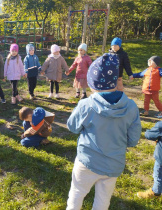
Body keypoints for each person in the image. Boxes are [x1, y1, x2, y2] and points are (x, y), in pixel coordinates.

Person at [66, 53, 141, 210]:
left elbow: (72, 127)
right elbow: (133, 140)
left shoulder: (85, 105)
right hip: (113, 165)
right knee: (103, 199)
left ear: (93, 84)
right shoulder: (132, 107)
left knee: (77, 192)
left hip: (87, 161)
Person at [137, 121, 162, 199]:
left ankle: (155, 192)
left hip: (161, 159)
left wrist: (148, 131)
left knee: (158, 175)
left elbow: (149, 135)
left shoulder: (160, 125)